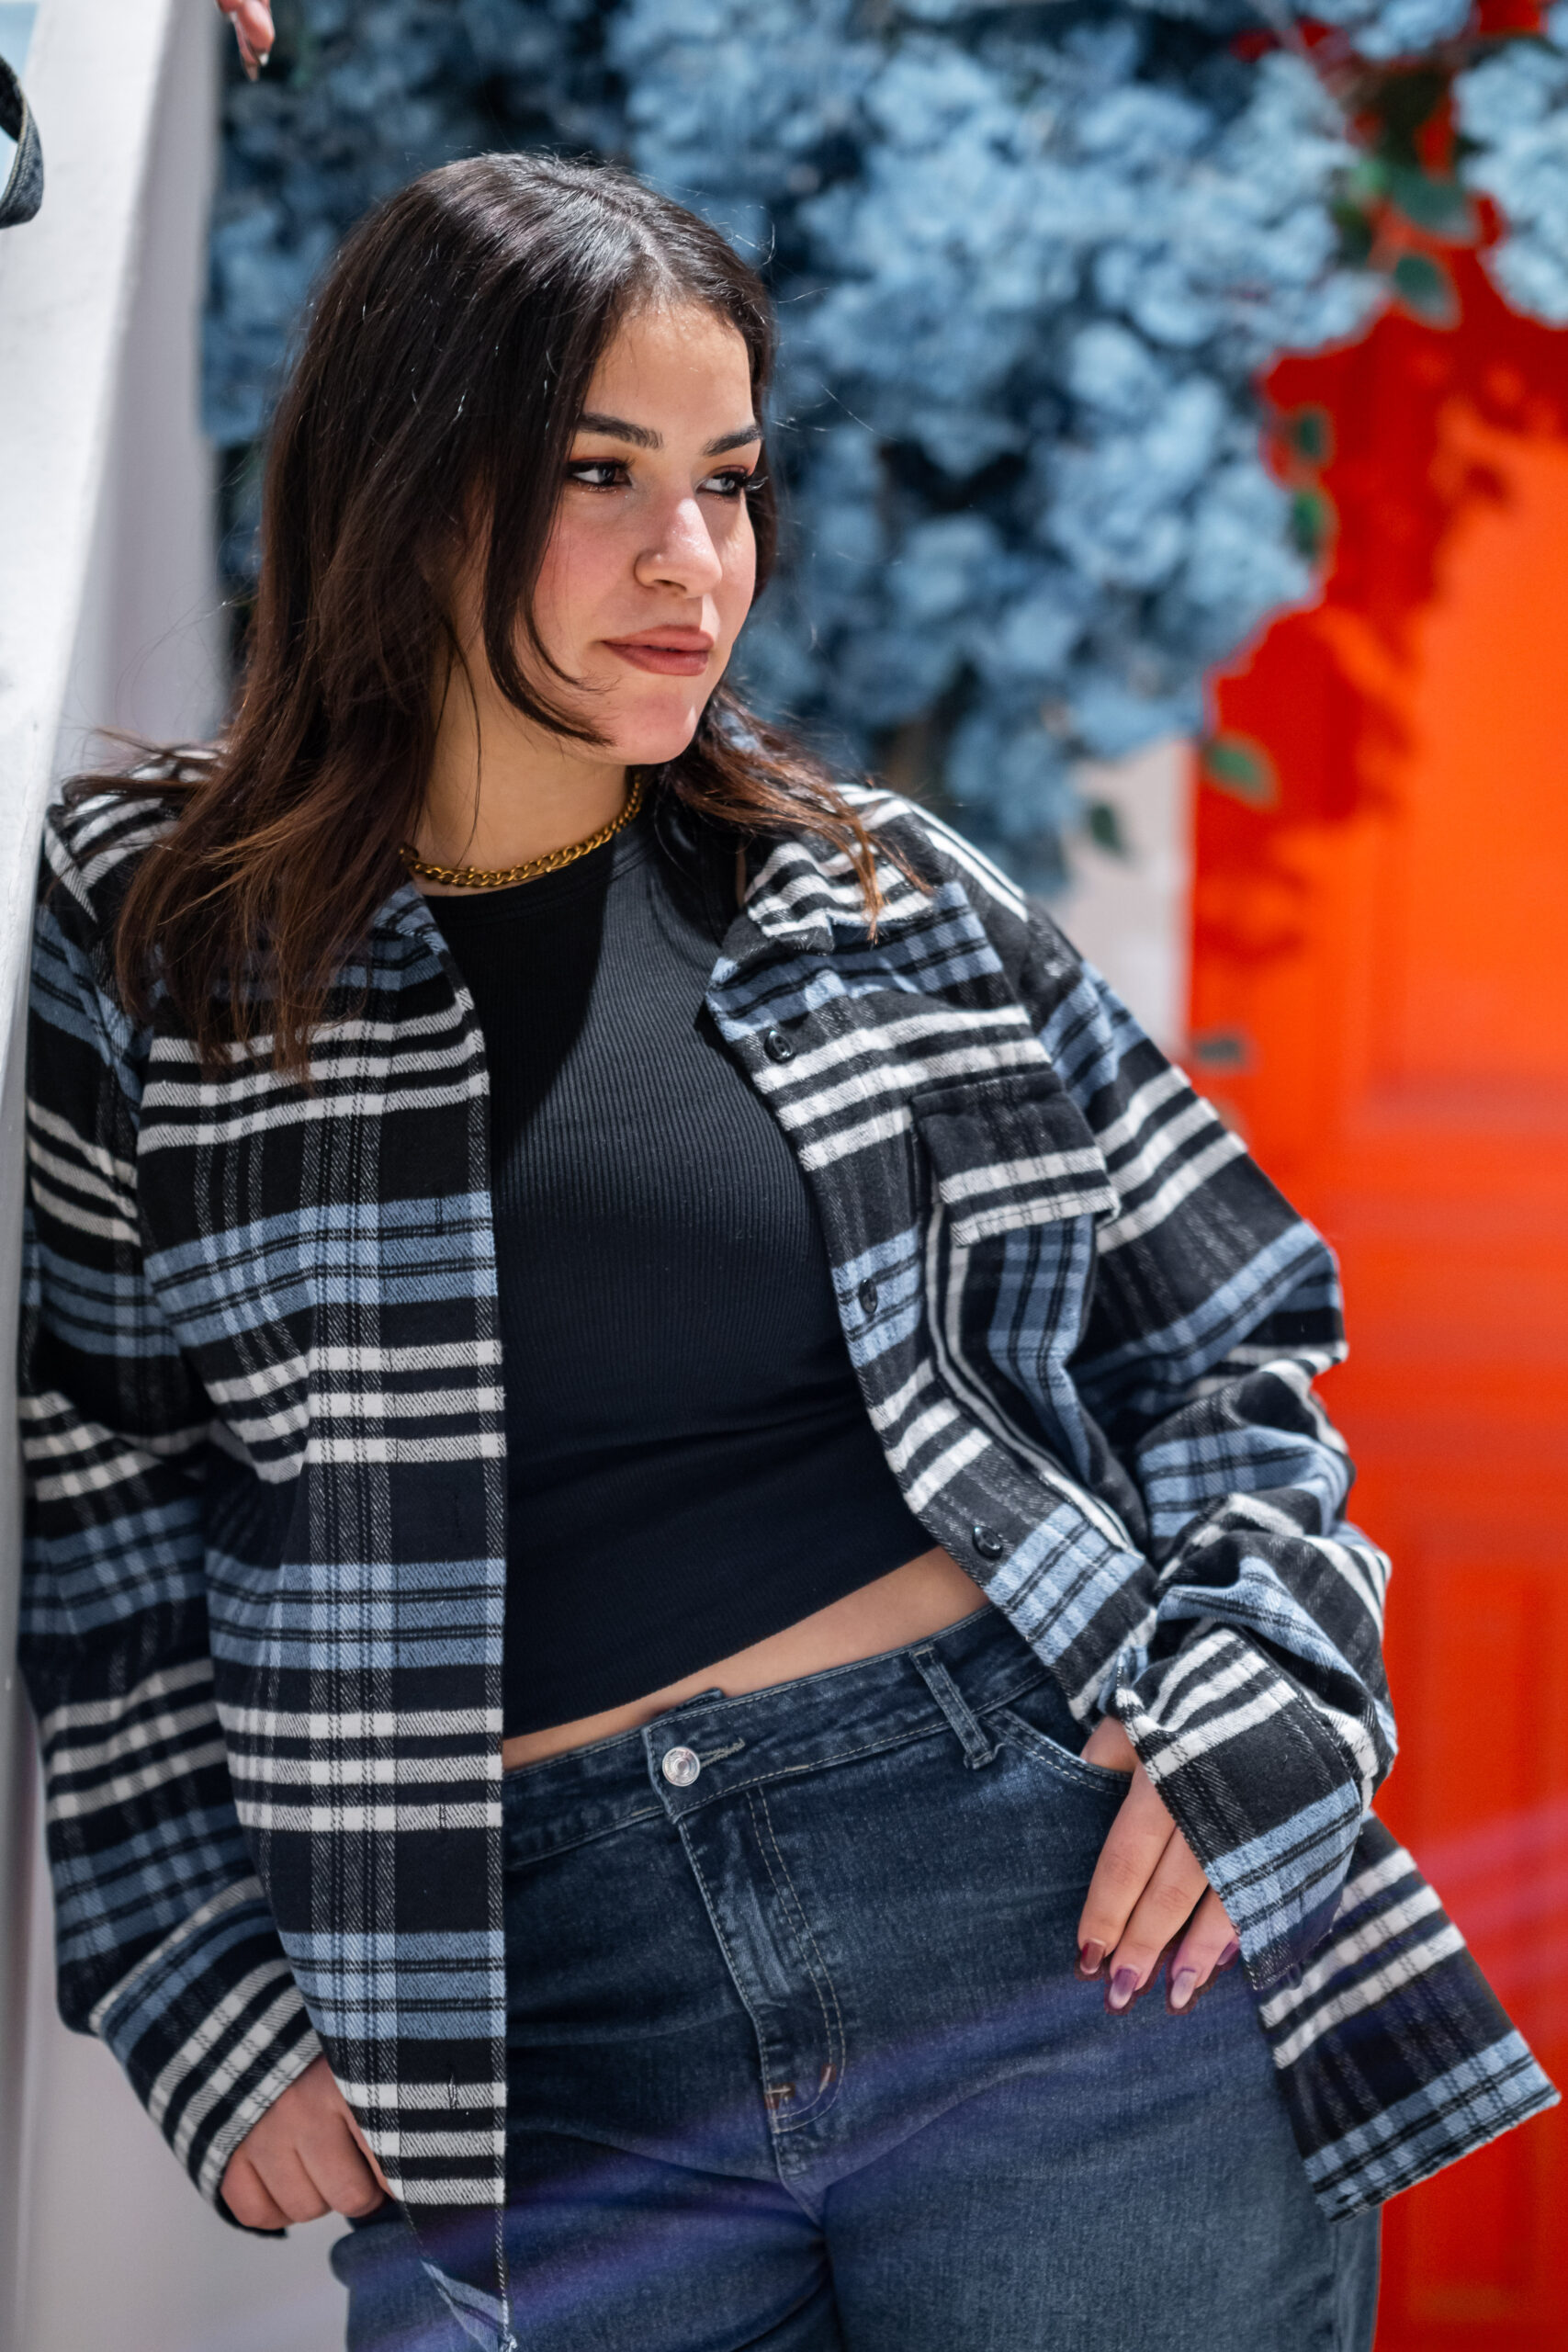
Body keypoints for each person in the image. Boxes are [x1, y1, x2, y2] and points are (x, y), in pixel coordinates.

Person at [18, 155, 1551, 2352]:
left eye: (728, 482)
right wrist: (197, 1978)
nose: (693, 559)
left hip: (1047, 1913)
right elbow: (101, 1489)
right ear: (406, 482)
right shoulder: (164, 934)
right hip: (522, 2017)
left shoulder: (882, 894)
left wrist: (1262, 1691)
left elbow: (1225, 1333)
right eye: (602, 475)